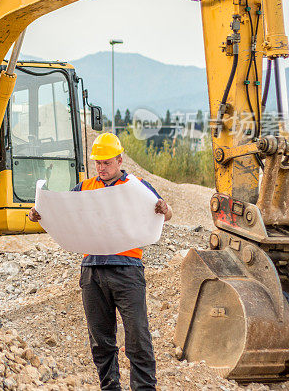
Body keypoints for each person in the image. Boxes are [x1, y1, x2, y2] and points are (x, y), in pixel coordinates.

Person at [28, 132, 172, 391]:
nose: (101, 168)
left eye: (106, 163)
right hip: (92, 271)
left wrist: (165, 209)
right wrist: (39, 213)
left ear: (119, 160)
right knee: (101, 340)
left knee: (137, 336)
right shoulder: (85, 188)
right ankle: (110, 387)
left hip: (127, 270)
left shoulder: (136, 186)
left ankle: (144, 388)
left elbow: (165, 212)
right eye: (97, 163)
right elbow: (62, 211)